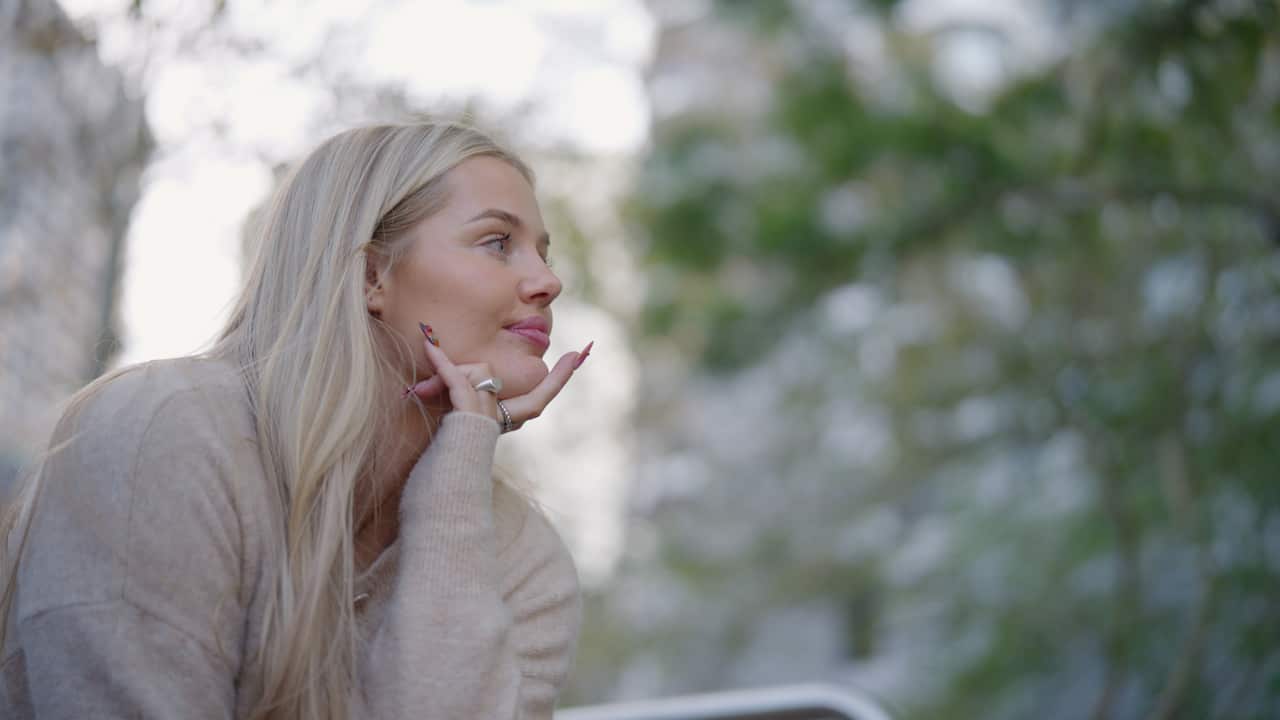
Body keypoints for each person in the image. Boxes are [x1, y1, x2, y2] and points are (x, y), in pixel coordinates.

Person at [0, 120, 593, 719]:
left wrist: (461, 472)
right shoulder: (162, 433)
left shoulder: (524, 558)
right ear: (371, 276)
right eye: (497, 242)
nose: (549, 282)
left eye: (544, 254)